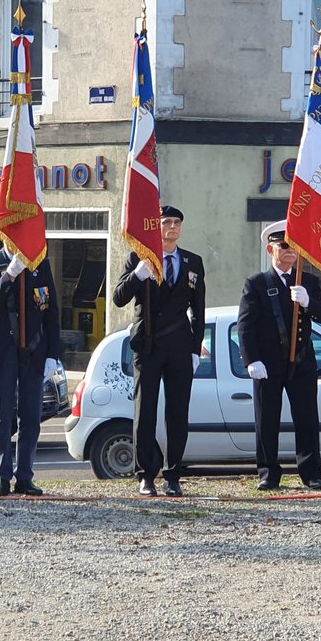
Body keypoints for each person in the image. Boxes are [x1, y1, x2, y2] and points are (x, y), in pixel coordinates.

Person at [112, 204, 206, 497]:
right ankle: (146, 474)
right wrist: (138, 275)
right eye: (167, 222)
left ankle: (174, 474)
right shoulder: (139, 257)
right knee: (146, 411)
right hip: (149, 344)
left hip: (179, 345)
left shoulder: (192, 261)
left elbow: (198, 310)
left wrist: (195, 349)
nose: (173, 227)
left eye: (177, 222)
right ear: (157, 226)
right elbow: (118, 298)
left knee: (178, 412)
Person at [237, 220, 321, 491]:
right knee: (267, 419)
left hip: (301, 360)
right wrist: (251, 360)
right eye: (284, 246)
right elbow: (245, 325)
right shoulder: (256, 283)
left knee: (307, 418)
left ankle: (311, 473)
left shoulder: (308, 281)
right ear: (271, 249)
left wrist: (308, 302)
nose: (290, 251)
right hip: (268, 362)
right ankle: (268, 473)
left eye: (294, 247)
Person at [0, 244, 62, 497]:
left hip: (34, 350)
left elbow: (50, 311)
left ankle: (25, 476)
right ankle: (1, 475)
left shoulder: (39, 263)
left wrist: (52, 355)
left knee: (31, 416)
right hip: (1, 350)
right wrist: (9, 274)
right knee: (1, 415)